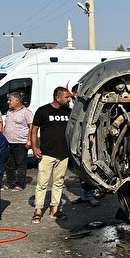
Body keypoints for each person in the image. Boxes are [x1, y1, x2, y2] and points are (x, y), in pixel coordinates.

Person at [29, 87, 72, 224]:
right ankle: (38, 210)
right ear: (57, 98)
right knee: (42, 183)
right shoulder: (43, 111)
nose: (69, 99)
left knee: (58, 183)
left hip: (63, 154)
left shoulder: (69, 112)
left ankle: (55, 210)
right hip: (46, 154)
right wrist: (35, 147)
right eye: (66, 97)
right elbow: (34, 130)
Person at [2, 91, 32, 192]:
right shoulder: (9, 112)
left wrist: (29, 140)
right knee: (9, 165)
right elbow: (6, 125)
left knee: (20, 164)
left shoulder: (26, 112)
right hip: (8, 142)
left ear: (17, 101)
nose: (8, 102)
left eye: (10, 100)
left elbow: (31, 127)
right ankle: (11, 183)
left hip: (20, 142)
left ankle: (20, 184)